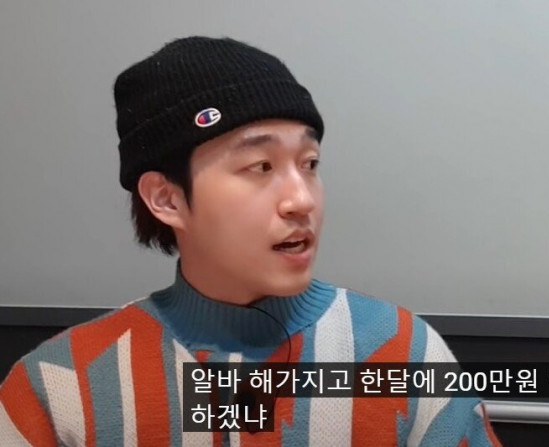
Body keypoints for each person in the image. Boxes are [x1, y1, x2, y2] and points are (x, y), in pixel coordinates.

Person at [0, 36, 501, 446]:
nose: (301, 199)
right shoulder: (58, 389)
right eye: (260, 167)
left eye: (309, 164)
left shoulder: (403, 351)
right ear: (167, 199)